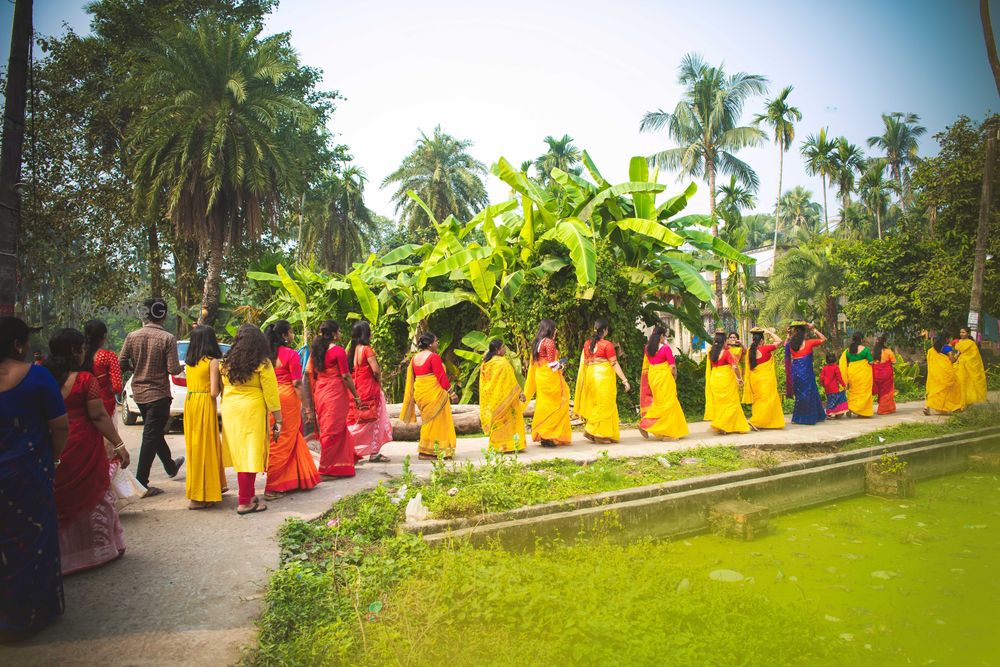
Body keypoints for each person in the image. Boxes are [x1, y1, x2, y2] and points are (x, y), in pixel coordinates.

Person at [0, 317, 68, 639]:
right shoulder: (37, 377)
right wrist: (51, 458)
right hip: (28, 476)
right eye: (26, 341)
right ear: (17, 344)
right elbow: (60, 427)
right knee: (33, 541)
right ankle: (31, 614)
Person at [46, 328, 129, 574]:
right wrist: (119, 444)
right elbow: (98, 415)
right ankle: (98, 550)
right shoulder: (84, 380)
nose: (84, 353)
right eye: (81, 349)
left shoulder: (42, 378)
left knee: (58, 496)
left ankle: (63, 556)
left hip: (52, 444)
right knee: (93, 493)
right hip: (83, 444)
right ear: (74, 351)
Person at [118, 298, 184, 495]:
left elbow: (121, 362)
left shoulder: (132, 336)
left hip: (139, 392)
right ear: (163, 315)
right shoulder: (167, 338)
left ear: (146, 314)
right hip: (158, 394)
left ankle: (171, 466)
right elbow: (173, 369)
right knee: (150, 435)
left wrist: (135, 368)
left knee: (153, 432)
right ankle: (141, 483)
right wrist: (182, 367)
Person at [220, 325, 281, 514]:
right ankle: (245, 501)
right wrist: (278, 419)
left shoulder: (226, 362)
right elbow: (271, 394)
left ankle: (249, 494)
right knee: (250, 454)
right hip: (252, 410)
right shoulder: (262, 363)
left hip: (231, 410)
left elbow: (222, 388)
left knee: (242, 454)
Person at [263, 321, 320, 498]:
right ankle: (272, 486)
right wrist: (308, 408)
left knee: (277, 439)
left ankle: (293, 479)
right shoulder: (291, 354)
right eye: (291, 332)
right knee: (285, 439)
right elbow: (296, 383)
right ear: (284, 335)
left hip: (269, 399)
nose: (292, 335)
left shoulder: (264, 355)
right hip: (287, 400)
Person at [307, 321, 363, 475]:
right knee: (332, 430)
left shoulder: (316, 350)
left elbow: (308, 371)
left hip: (321, 392)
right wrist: (356, 396)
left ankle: (342, 463)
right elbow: (346, 376)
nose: (340, 334)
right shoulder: (338, 351)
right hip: (335, 393)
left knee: (331, 427)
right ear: (333, 334)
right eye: (338, 331)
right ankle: (326, 467)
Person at [182, 325, 227, 510]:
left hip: (190, 401)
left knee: (194, 448)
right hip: (204, 404)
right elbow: (214, 392)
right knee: (206, 447)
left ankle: (207, 488)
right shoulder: (212, 361)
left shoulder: (189, 362)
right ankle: (202, 496)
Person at [401, 331, 457, 459]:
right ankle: (431, 451)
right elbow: (441, 377)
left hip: (421, 393)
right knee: (436, 422)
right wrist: (451, 393)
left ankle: (427, 449)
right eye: (436, 341)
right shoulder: (433, 357)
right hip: (434, 394)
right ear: (430, 344)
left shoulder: (415, 359)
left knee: (428, 422)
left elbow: (415, 378)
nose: (437, 343)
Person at [574, 319, 630, 444]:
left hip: (590, 376)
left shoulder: (587, 344)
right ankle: (595, 432)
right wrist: (624, 380)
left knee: (597, 404)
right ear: (604, 330)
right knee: (605, 404)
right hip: (602, 377)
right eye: (607, 329)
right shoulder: (607, 344)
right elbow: (614, 364)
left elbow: (587, 362)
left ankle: (602, 432)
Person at [346, 320, 393, 463]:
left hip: (357, 389)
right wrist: (379, 380)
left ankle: (349, 448)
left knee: (359, 420)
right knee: (375, 420)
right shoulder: (367, 349)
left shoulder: (352, 350)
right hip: (370, 389)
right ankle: (374, 452)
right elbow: (376, 370)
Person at [522, 319, 572, 447]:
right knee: (560, 402)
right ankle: (550, 435)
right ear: (550, 329)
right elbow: (552, 365)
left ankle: (544, 434)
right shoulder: (549, 342)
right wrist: (561, 365)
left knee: (544, 405)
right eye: (555, 328)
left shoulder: (537, 343)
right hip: (550, 379)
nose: (556, 331)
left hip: (540, 377)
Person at [638, 325, 688, 440]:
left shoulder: (647, 348)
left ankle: (667, 431)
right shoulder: (665, 348)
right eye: (664, 335)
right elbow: (672, 366)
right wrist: (674, 377)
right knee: (667, 403)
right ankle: (646, 425)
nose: (665, 338)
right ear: (660, 336)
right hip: (664, 376)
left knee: (661, 402)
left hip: (653, 376)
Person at [478, 339, 527, 453]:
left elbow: (485, 383)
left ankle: (496, 445)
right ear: (497, 350)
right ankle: (510, 445)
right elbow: (510, 380)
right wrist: (519, 393)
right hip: (506, 398)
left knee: (498, 423)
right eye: (503, 347)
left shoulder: (486, 363)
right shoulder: (502, 363)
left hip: (494, 399)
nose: (505, 349)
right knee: (508, 422)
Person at [704, 330, 751, 434]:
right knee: (731, 403)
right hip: (726, 379)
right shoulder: (726, 352)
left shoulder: (711, 352)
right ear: (724, 341)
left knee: (719, 404)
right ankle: (724, 425)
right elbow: (734, 366)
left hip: (715, 379)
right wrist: (739, 378)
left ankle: (721, 426)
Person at [742, 326, 785, 430]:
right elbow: (779, 341)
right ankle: (757, 422)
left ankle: (761, 421)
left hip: (755, 380)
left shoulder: (750, 351)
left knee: (758, 401)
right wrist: (769, 332)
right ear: (762, 340)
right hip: (766, 380)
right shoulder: (766, 348)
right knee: (767, 401)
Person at [784, 322, 827, 425]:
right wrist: (814, 329)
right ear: (804, 334)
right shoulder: (809, 343)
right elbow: (824, 339)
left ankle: (799, 417)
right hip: (807, 374)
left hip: (796, 374)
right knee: (809, 394)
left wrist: (788, 335)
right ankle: (809, 417)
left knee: (800, 396)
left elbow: (785, 345)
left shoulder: (790, 345)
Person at [82, 319, 122, 419]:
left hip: (82, 404)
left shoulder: (80, 355)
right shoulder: (108, 356)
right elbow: (117, 386)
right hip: (104, 405)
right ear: (104, 336)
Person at [924, 333, 965, 415]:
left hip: (936, 373)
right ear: (947, 339)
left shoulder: (933, 349)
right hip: (946, 372)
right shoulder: (947, 348)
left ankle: (927, 407)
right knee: (955, 388)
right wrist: (958, 354)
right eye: (950, 338)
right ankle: (955, 407)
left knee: (935, 390)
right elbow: (952, 360)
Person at [838, 332, 874, 417]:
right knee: (863, 392)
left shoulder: (847, 350)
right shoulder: (865, 350)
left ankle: (851, 407)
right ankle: (861, 411)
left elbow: (844, 362)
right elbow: (871, 362)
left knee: (853, 391)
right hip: (863, 374)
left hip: (852, 373)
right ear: (862, 339)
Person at [952, 327, 988, 406]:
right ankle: (960, 401)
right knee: (960, 382)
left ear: (968, 334)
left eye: (963, 332)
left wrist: (966, 360)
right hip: (960, 365)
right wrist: (955, 359)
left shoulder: (971, 343)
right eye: (960, 332)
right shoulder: (959, 342)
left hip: (969, 366)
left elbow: (975, 356)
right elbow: (958, 353)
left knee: (969, 383)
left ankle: (969, 401)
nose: (961, 334)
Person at [871, 334, 897, 415]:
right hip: (886, 374)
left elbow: (871, 362)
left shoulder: (873, 352)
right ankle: (884, 409)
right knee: (886, 391)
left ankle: (889, 408)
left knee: (880, 390)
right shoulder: (888, 351)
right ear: (884, 342)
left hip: (876, 373)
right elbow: (894, 362)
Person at [820, 353, 849, 418]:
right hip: (834, 388)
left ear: (826, 360)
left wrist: (823, 385)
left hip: (827, 388)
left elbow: (821, 378)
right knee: (837, 400)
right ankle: (831, 412)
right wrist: (844, 385)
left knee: (830, 400)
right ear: (835, 360)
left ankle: (832, 412)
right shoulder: (836, 367)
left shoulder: (824, 368)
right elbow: (839, 377)